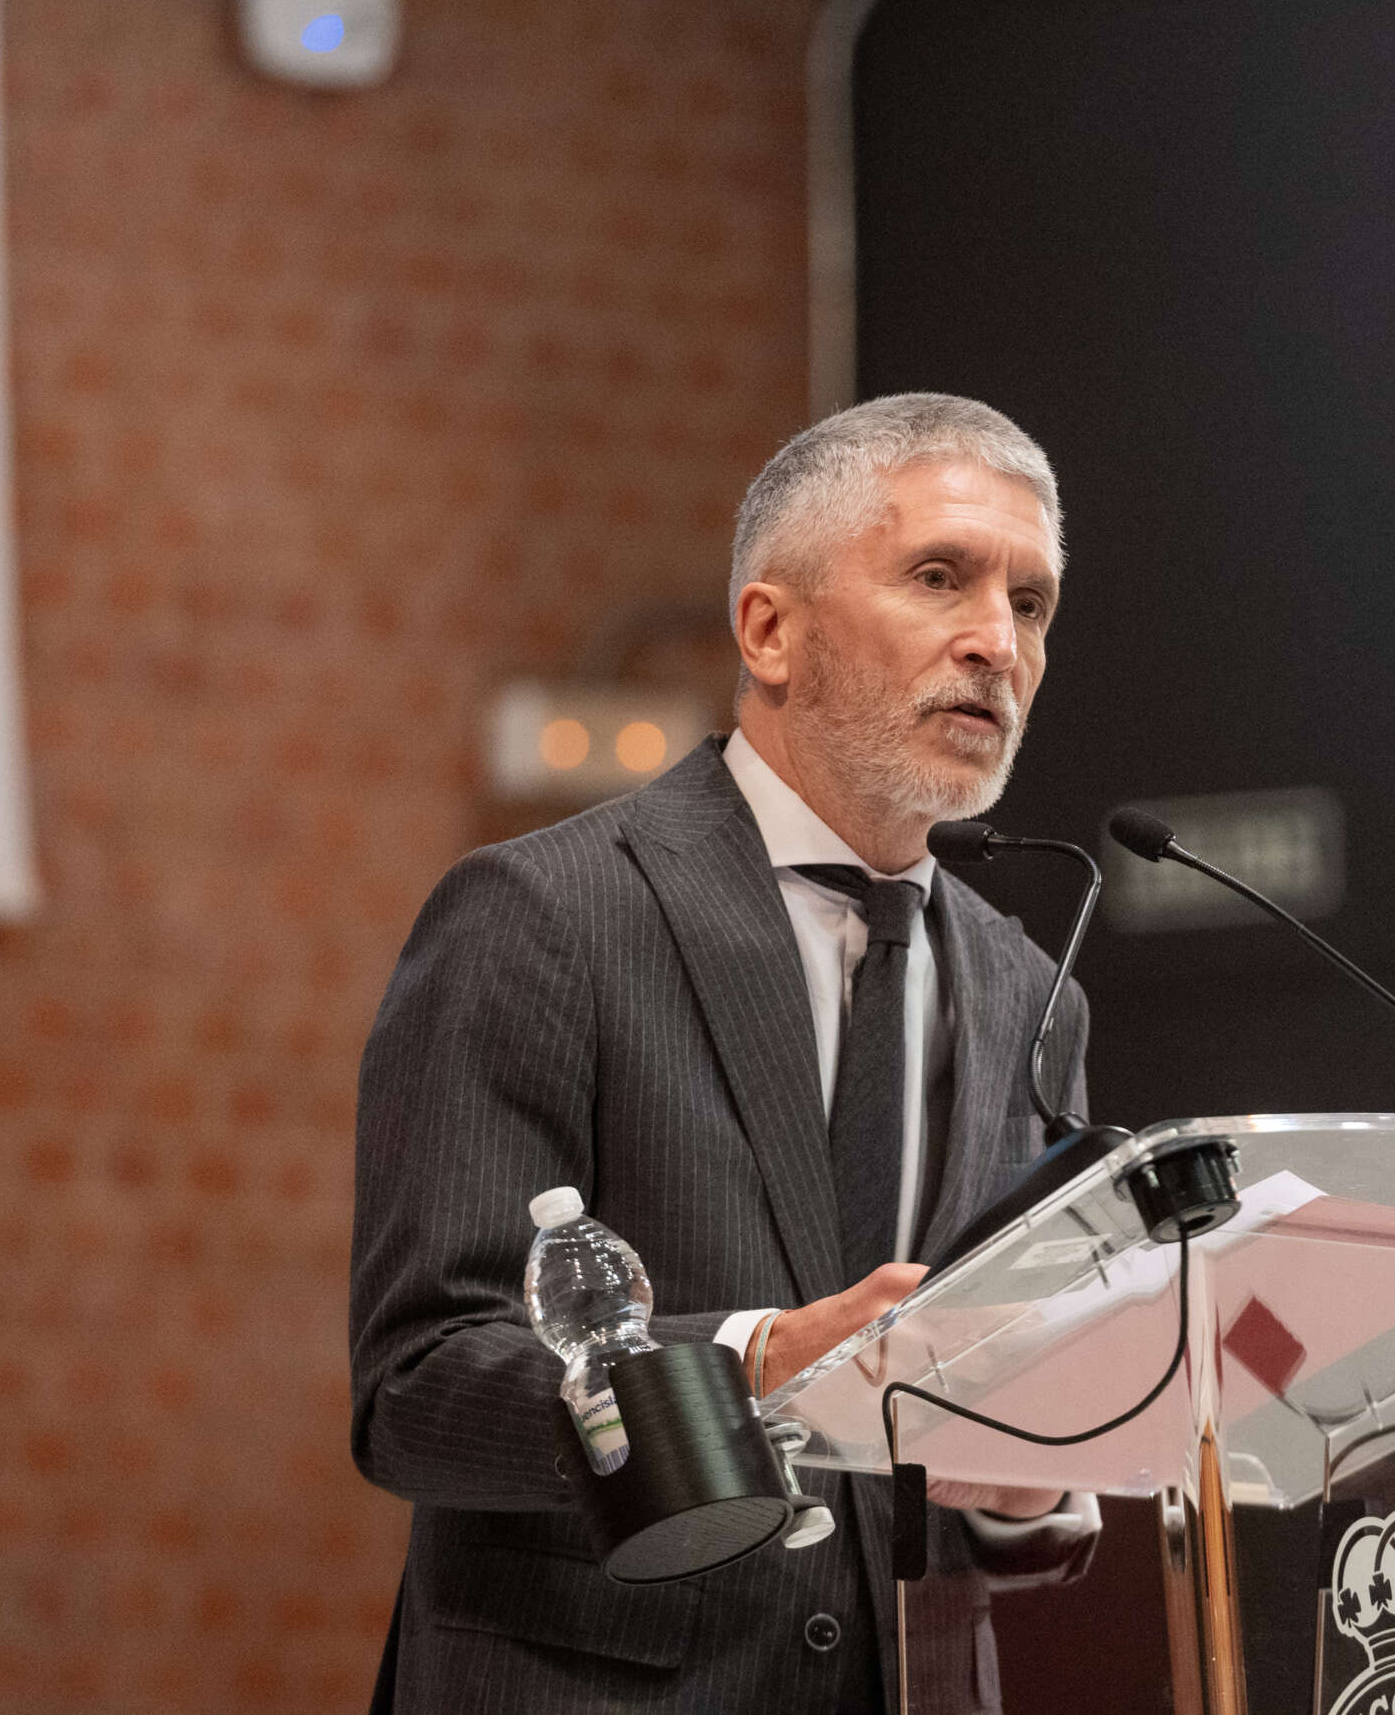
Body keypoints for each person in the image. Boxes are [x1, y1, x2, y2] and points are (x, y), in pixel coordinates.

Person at [351, 394, 1101, 1714]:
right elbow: (420, 1388)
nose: (997, 642)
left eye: (1030, 603)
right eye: (941, 578)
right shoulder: (547, 919)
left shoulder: (1029, 991)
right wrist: (757, 1363)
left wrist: (1034, 1478)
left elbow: (975, 1491)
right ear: (769, 629)